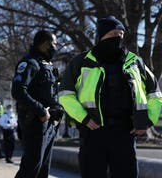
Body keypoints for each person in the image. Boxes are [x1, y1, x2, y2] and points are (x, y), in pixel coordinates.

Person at [59, 16, 162, 178]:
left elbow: (154, 93)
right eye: (113, 33)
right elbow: (65, 95)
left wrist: (148, 120)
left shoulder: (135, 62)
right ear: (101, 37)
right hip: (93, 132)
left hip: (125, 132)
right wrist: (84, 119)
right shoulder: (80, 62)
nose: (118, 37)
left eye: (121, 34)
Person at [12, 30, 63, 177]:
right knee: (31, 168)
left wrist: (57, 109)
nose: (55, 47)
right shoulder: (29, 63)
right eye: (54, 44)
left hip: (49, 124)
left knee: (43, 169)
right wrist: (41, 111)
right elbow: (18, 91)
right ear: (44, 44)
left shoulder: (47, 65)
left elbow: (51, 93)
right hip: (35, 122)